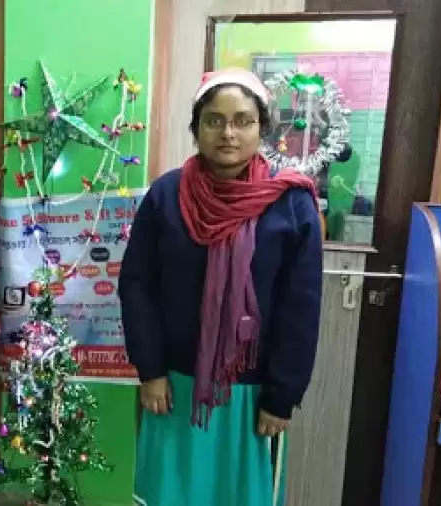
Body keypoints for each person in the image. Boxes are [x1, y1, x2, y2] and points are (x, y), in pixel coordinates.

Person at [119, 68, 323, 506]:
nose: (228, 133)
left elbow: (301, 308)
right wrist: (150, 370)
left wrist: (282, 396)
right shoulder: (166, 195)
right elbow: (137, 286)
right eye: (214, 120)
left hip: (252, 398)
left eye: (242, 121)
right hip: (174, 389)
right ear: (196, 128)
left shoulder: (291, 203)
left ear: (262, 127)